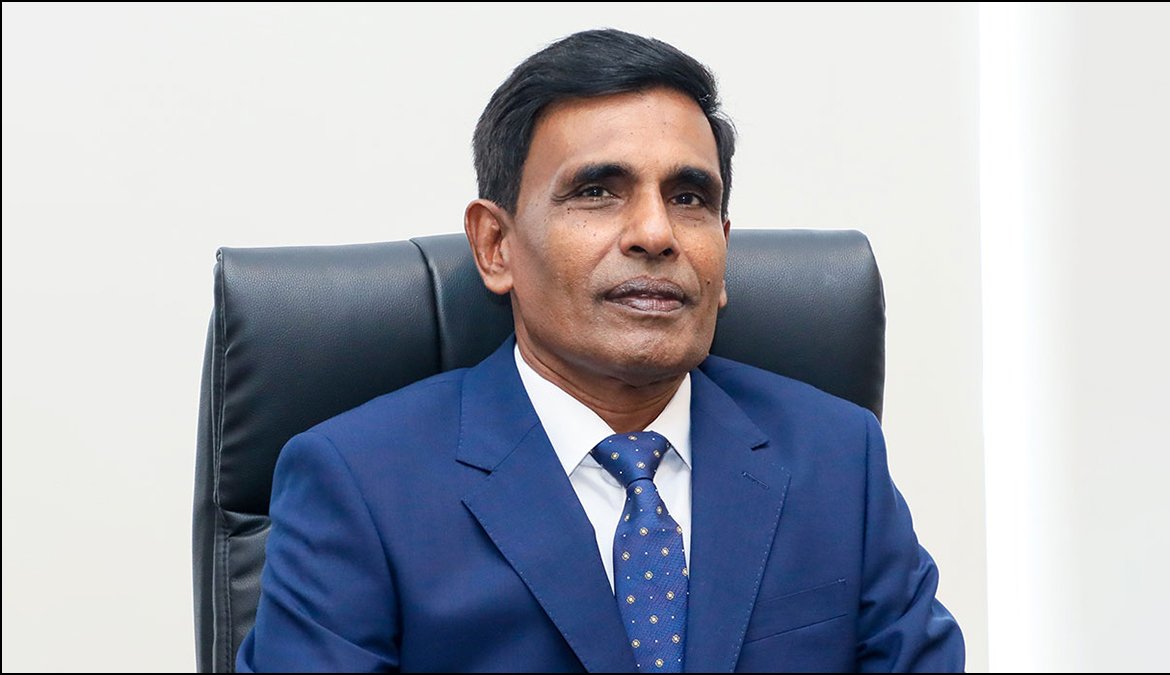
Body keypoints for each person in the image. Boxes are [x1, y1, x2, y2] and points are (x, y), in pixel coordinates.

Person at [236, 28, 965, 673]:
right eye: (596, 192)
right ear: (495, 246)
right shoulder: (359, 483)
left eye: (689, 198)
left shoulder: (839, 458)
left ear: (723, 254)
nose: (655, 233)